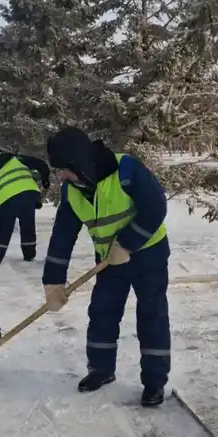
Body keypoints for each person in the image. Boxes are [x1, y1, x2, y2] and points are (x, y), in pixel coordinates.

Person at [42, 127, 170, 407]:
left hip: (149, 255)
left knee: (152, 316)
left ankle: (154, 382)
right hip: (108, 262)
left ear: (78, 162)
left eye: (63, 169)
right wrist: (53, 282)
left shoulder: (126, 169)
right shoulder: (73, 191)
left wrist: (126, 244)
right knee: (102, 312)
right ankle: (100, 370)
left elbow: (156, 207)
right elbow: (62, 236)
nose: (60, 176)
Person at [0, 151, 50, 264]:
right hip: (29, 194)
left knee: (4, 228)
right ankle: (29, 255)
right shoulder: (18, 159)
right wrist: (45, 180)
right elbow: (42, 164)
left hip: (7, 199)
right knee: (28, 224)